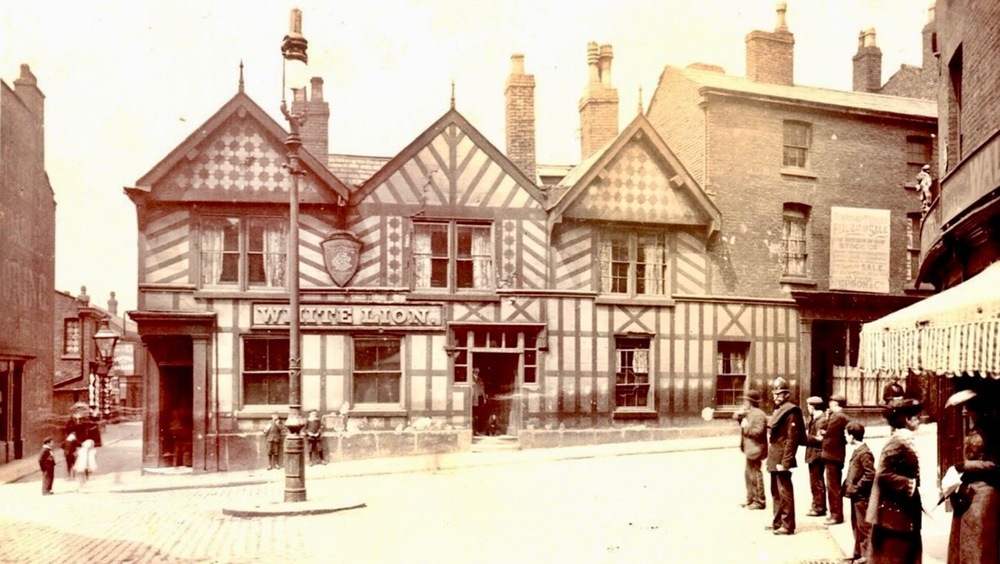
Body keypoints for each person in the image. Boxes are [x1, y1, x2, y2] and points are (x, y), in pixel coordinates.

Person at [941, 389, 999, 564]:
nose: (966, 412)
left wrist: (966, 465)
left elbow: (995, 464)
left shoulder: (993, 431)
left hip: (984, 493)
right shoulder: (975, 428)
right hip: (968, 491)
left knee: (978, 543)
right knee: (963, 541)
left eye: (970, 408)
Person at [866, 398, 924, 564]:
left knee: (906, 551)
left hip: (904, 508)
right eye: (916, 417)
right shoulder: (896, 443)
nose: (919, 420)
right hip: (895, 511)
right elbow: (883, 474)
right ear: (907, 420)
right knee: (896, 553)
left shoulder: (904, 440)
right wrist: (909, 484)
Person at [766, 377, 806, 536]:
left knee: (784, 492)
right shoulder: (779, 410)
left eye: (780, 393)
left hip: (782, 458)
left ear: (787, 394)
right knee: (775, 492)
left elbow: (792, 439)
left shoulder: (791, 412)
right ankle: (777, 522)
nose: (776, 397)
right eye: (775, 394)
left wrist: (786, 462)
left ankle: (787, 525)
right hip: (774, 456)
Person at [843, 421, 875, 564]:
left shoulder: (865, 453)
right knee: (856, 524)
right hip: (856, 496)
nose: (845, 437)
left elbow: (870, 474)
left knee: (863, 526)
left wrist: (857, 487)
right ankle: (858, 552)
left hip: (862, 496)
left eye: (846, 434)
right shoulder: (859, 450)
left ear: (852, 436)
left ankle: (866, 555)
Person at [734, 389, 768, 510]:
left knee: (755, 475)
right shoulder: (749, 412)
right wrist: (740, 414)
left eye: (745, 401)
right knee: (748, 475)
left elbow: (758, 432)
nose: (744, 402)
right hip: (750, 449)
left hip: (756, 449)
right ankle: (750, 498)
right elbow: (735, 417)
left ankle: (760, 501)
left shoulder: (759, 415)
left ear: (751, 402)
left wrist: (746, 426)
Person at [823, 393, 850, 526]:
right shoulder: (842, 416)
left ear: (834, 404)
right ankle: (835, 513)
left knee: (833, 486)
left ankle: (836, 515)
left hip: (832, 455)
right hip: (837, 455)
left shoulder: (837, 417)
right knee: (834, 485)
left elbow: (827, 433)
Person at [805, 396, 828, 518]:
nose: (808, 408)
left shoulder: (821, 420)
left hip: (817, 455)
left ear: (812, 407)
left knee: (817, 482)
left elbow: (820, 439)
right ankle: (818, 505)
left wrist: (805, 437)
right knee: (815, 482)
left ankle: (819, 507)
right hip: (813, 454)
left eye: (808, 406)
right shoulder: (815, 419)